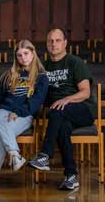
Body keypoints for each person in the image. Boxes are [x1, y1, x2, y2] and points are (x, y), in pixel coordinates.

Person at [0, 39, 48, 190]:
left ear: (33, 54)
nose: (23, 58)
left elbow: (36, 102)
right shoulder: (9, 75)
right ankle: (14, 154)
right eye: (19, 55)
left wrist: (18, 112)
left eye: (26, 54)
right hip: (3, 112)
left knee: (1, 134)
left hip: (24, 115)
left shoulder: (41, 77)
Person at [26, 28, 97, 190]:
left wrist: (66, 100)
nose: (53, 44)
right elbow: (21, 75)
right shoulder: (43, 65)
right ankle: (71, 176)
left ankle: (45, 155)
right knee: (62, 128)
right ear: (46, 44)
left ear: (65, 43)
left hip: (83, 110)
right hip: (60, 114)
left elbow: (85, 92)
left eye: (57, 40)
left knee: (57, 110)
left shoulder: (74, 62)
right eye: (50, 40)